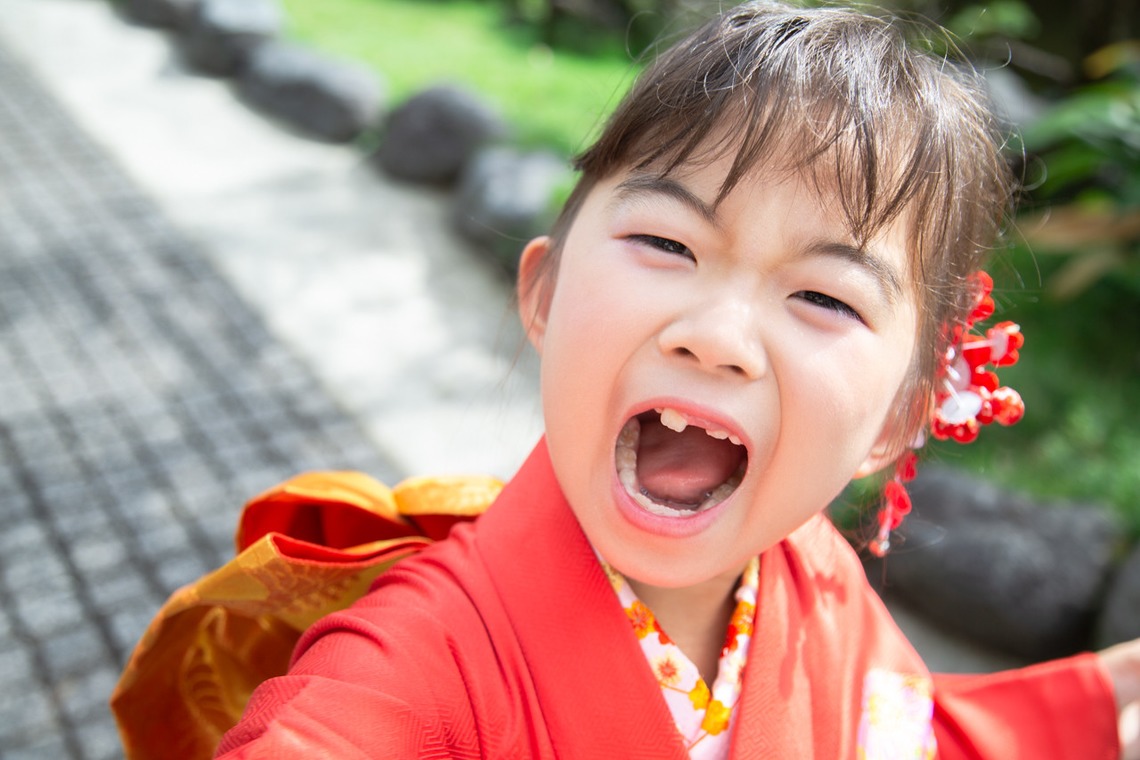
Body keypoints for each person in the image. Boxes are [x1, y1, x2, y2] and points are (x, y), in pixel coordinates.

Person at [212, 2, 1140, 757]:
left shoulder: (816, 575)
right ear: (542, 291)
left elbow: (899, 732)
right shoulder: (410, 675)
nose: (719, 337)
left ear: (900, 415)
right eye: (667, 242)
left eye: (824, 296)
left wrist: (1105, 705)